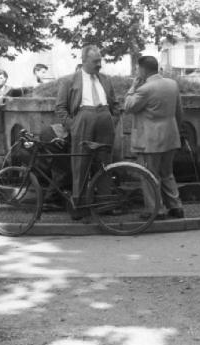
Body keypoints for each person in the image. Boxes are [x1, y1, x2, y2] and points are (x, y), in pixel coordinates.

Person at [55, 45, 118, 217]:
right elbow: (60, 108)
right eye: (95, 61)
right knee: (80, 164)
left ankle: (105, 204)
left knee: (105, 163)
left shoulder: (105, 79)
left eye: (100, 61)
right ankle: (80, 207)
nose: (99, 65)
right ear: (84, 61)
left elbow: (115, 104)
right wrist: (73, 126)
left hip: (105, 119)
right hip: (83, 120)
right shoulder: (69, 81)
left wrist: (113, 120)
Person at [124, 55, 185, 219]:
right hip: (171, 136)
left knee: (149, 175)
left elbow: (128, 106)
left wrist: (132, 87)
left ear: (142, 69)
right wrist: (177, 131)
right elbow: (179, 112)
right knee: (167, 173)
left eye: (138, 69)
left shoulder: (145, 89)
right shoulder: (172, 85)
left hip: (150, 140)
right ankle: (176, 207)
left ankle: (155, 210)